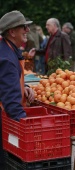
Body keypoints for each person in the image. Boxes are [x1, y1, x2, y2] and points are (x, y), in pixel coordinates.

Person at [0, 10, 35, 168]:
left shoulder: (9, 50)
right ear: (12, 32)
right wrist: (30, 131)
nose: (27, 30)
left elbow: (9, 80)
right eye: (24, 27)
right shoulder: (7, 58)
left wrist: (24, 87)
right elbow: (13, 106)